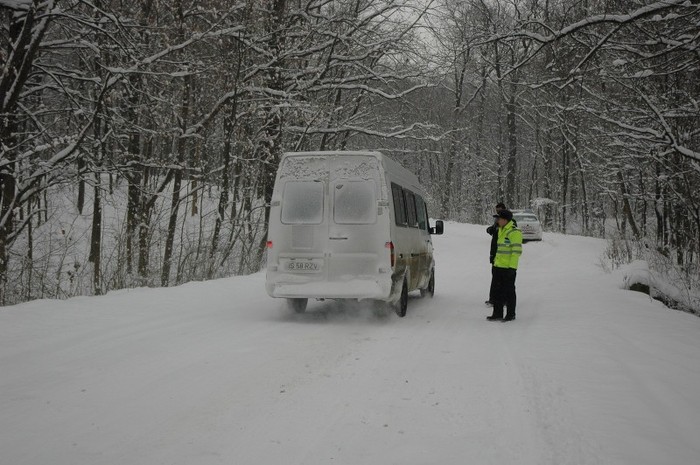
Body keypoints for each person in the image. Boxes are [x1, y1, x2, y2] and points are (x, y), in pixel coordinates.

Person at [487, 209, 522, 322]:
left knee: (509, 292)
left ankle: (511, 314)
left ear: (505, 220)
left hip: (508, 268)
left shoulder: (514, 232)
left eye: (499, 218)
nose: (497, 220)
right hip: (498, 266)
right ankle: (497, 313)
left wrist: (512, 268)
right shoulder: (500, 230)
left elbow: (516, 252)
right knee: (497, 291)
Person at [485, 203, 507, 306]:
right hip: (495, 254)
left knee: (504, 280)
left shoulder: (508, 222)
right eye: (497, 210)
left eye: (500, 211)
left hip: (505, 258)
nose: (498, 213)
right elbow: (492, 231)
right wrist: (491, 229)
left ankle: (503, 299)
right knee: (495, 278)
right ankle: (493, 299)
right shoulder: (497, 221)